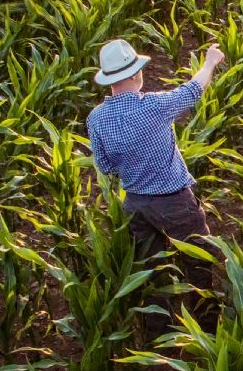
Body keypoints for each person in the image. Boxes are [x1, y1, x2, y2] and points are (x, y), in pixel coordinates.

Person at [88, 37, 226, 287]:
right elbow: (192, 90)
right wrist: (209, 63)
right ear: (133, 76)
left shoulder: (96, 118)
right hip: (174, 202)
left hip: (134, 204)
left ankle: (159, 323)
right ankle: (204, 321)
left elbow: (105, 166)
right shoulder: (153, 106)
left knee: (150, 274)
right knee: (197, 262)